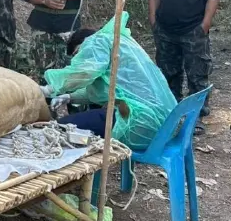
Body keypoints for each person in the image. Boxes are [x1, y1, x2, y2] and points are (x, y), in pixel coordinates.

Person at [39, 13, 177, 151]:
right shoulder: (118, 45)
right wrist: (70, 97)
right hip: (166, 125)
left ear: (85, 43)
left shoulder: (97, 43)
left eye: (78, 53)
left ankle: (84, 158)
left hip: (138, 122)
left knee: (58, 129)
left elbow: (84, 73)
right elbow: (106, 90)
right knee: (79, 124)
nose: (80, 58)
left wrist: (50, 89)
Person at [150, 0, 221, 132]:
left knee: (197, 74)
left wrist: (205, 24)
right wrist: (153, 20)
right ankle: (171, 113)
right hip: (165, 30)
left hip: (193, 29)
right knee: (168, 73)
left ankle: (195, 118)